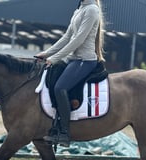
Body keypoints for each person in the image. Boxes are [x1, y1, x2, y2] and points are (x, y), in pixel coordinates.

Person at [35, 0, 105, 147]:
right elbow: (67, 37)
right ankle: (54, 126)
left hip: (84, 60)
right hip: (72, 59)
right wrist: (47, 53)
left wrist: (54, 58)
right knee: (51, 77)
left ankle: (65, 133)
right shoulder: (79, 10)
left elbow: (79, 39)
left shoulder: (91, 10)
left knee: (60, 88)